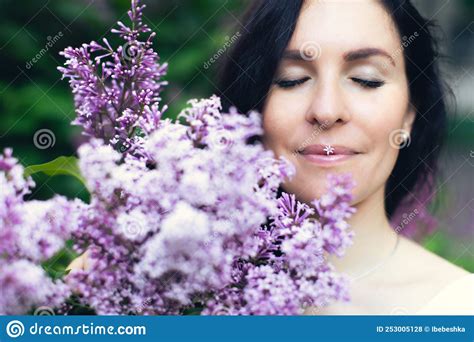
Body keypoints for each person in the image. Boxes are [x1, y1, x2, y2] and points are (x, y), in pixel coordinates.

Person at [217, 0, 473, 315]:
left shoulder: (459, 309)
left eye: (366, 79)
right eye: (292, 79)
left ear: (409, 114)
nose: (326, 111)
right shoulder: (182, 286)